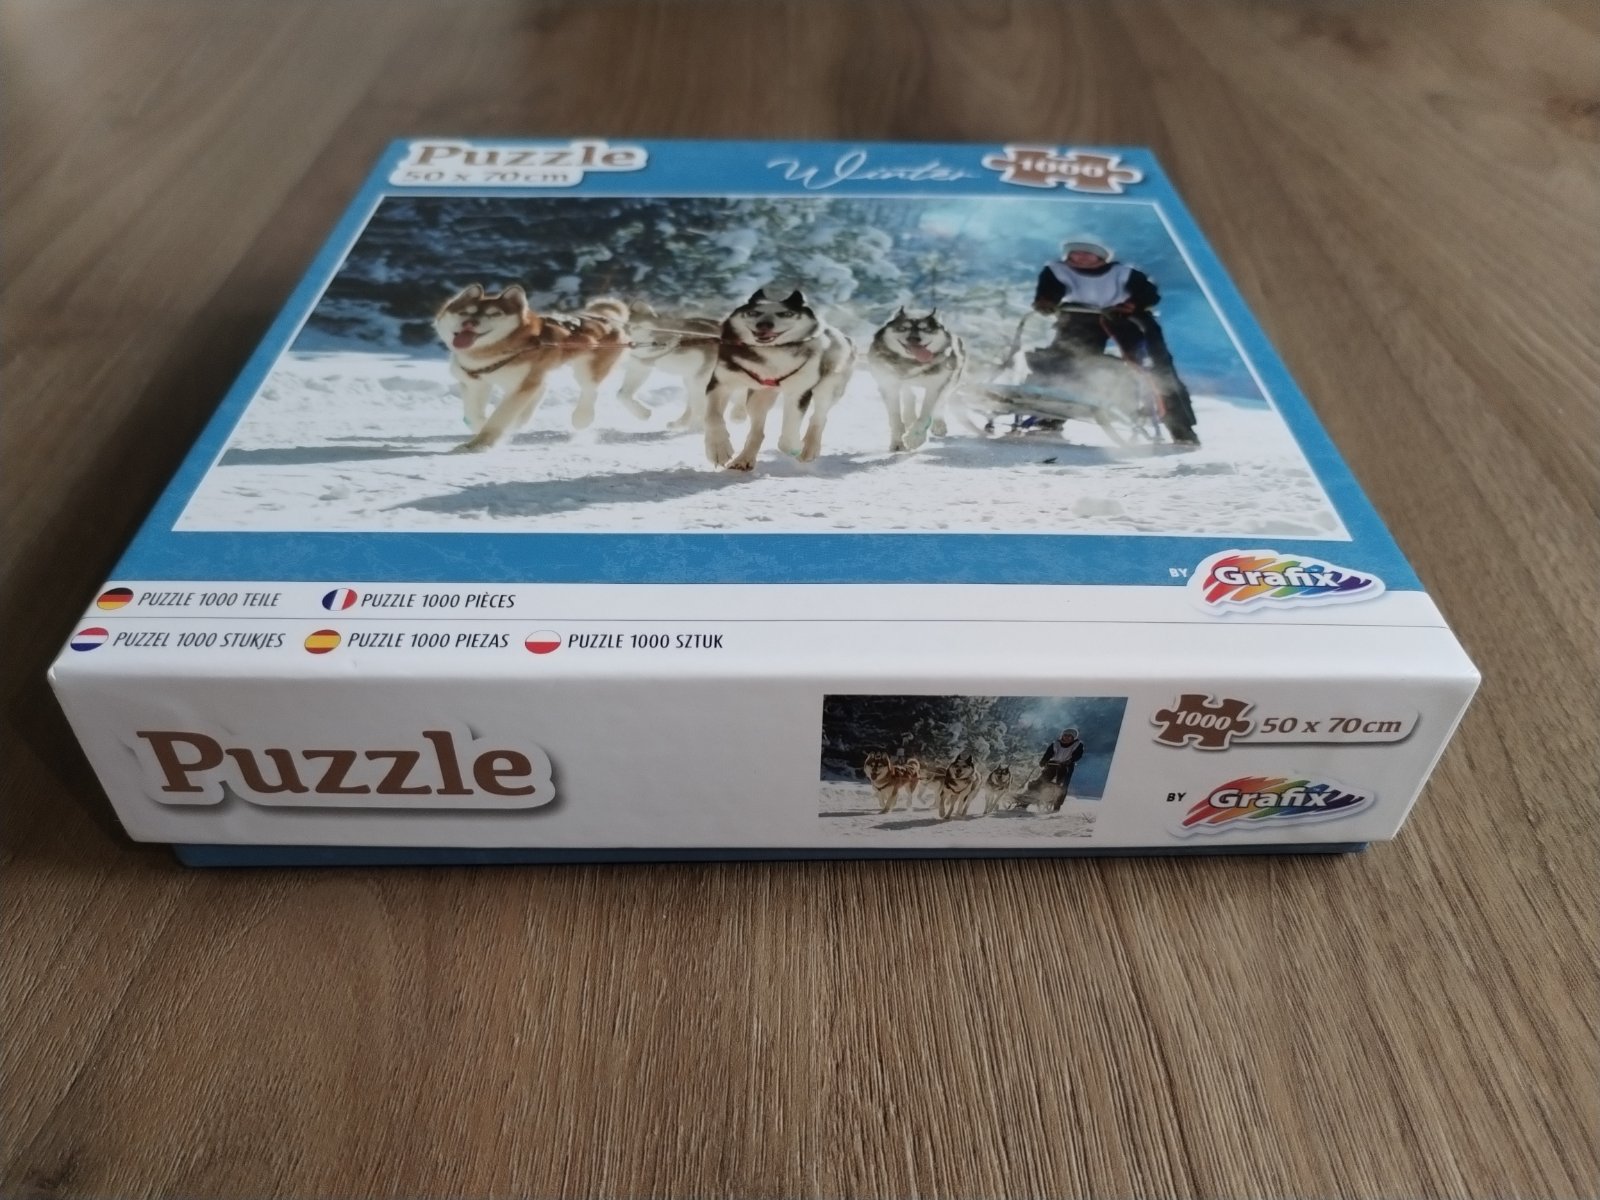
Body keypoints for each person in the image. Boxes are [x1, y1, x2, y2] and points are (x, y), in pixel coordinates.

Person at [1028, 238, 1198, 444]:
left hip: (1126, 318)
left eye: (1087, 253)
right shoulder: (1057, 271)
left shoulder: (1124, 273)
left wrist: (1132, 305)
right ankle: (1049, 418)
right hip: (1079, 317)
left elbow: (1149, 295)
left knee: (1157, 370)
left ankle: (1181, 428)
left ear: (1100, 257)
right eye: (1075, 253)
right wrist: (1046, 302)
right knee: (1063, 362)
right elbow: (1049, 292)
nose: (1080, 257)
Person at [1038, 728, 1086, 796]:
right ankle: (1031, 794)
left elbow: (1078, 755)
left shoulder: (1078, 744)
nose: (1067, 737)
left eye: (1069, 736)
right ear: (1062, 736)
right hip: (1053, 764)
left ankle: (1058, 800)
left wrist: (1070, 761)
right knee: (1042, 779)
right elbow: (1048, 753)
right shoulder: (1056, 743)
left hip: (1066, 766)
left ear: (1074, 737)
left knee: (1062, 785)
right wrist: (1044, 760)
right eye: (1065, 735)